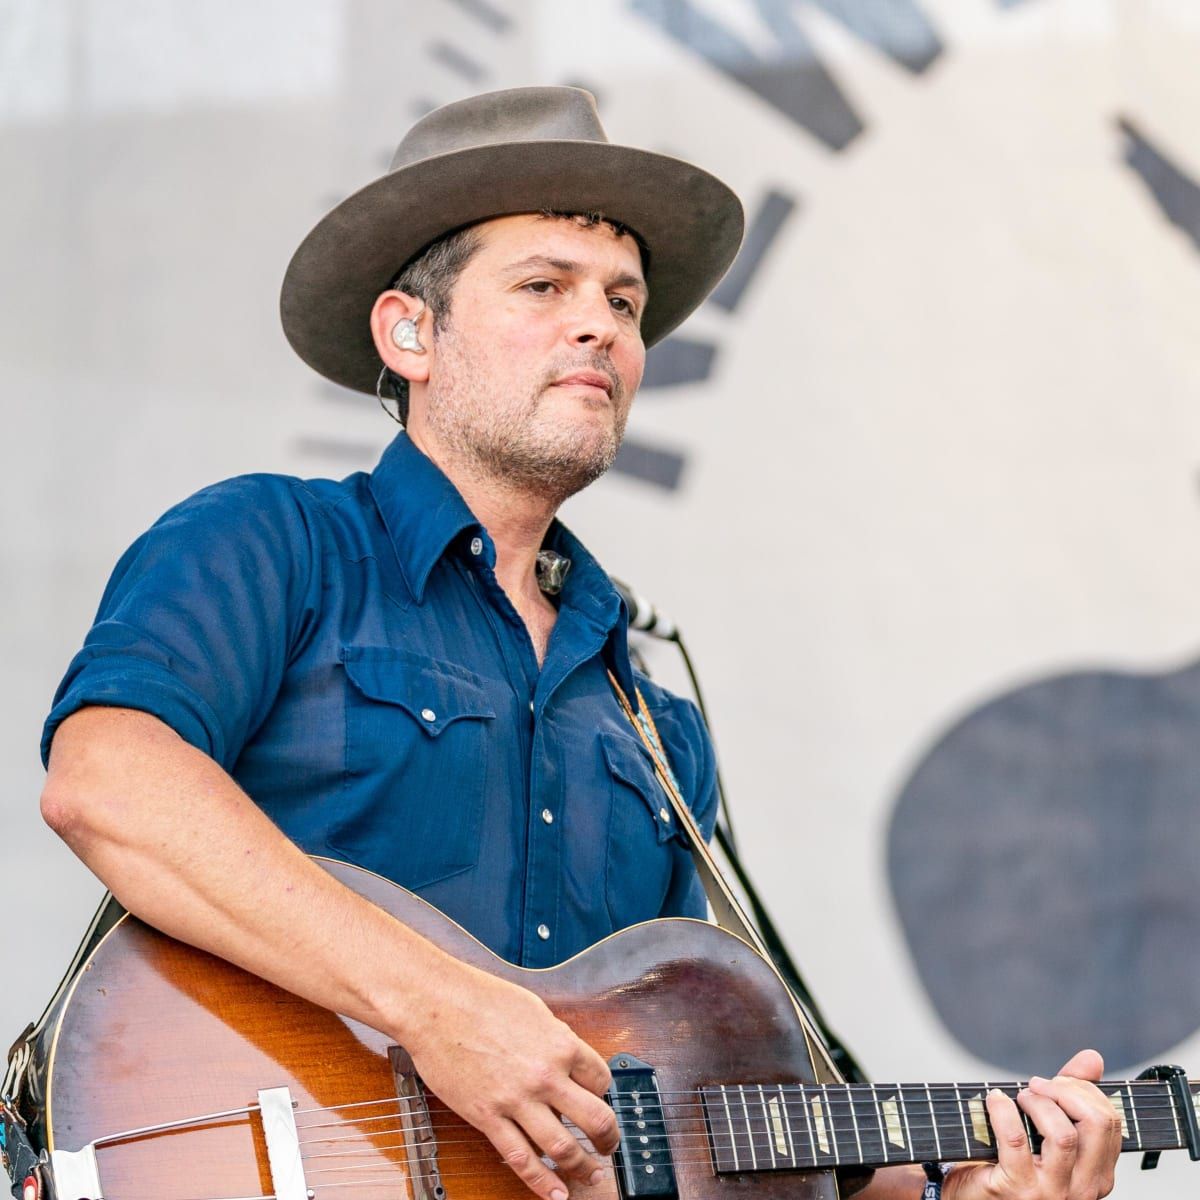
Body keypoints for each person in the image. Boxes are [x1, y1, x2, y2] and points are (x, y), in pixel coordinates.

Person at [37, 88, 1123, 1200]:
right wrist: (439, 1009)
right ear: (410, 331)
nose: (600, 324)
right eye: (544, 286)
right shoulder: (273, 541)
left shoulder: (649, 718)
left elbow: (699, 1125)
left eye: (623, 299)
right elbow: (106, 783)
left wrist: (960, 1192)